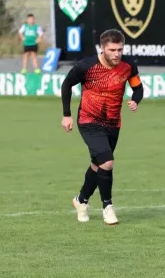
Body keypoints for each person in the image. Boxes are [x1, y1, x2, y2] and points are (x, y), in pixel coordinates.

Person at [60, 29, 144, 224]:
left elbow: (137, 87)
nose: (117, 54)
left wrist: (135, 100)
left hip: (113, 123)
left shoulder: (128, 65)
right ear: (103, 48)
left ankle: (81, 200)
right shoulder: (87, 66)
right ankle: (108, 207)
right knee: (107, 162)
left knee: (98, 165)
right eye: (112, 50)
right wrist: (66, 114)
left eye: (120, 49)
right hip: (89, 121)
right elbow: (67, 84)